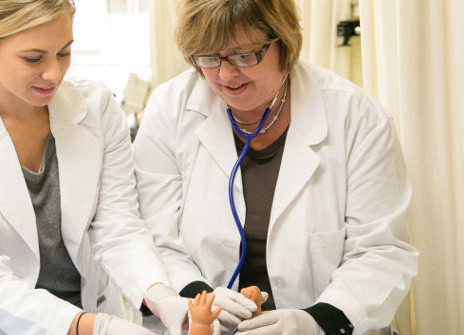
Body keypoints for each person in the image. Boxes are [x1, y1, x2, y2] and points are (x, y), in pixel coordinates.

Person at [0, 1, 192, 334]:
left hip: (97, 309)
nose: (54, 73)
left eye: (64, 52)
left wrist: (159, 294)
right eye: (33, 58)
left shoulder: (97, 108)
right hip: (2, 325)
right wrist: (93, 328)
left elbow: (118, 226)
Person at [132, 0, 419, 334]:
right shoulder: (170, 110)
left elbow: (381, 250)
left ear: (283, 42)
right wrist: (199, 300)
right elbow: (154, 235)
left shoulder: (356, 118)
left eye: (244, 55)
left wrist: (318, 320)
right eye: (209, 57)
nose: (226, 74)